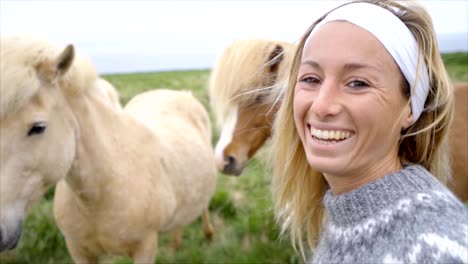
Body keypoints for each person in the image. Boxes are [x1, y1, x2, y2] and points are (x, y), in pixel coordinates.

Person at [269, 0, 468, 263]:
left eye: (358, 83)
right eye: (310, 79)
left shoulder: (436, 247)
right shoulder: (342, 218)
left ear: (410, 108)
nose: (321, 106)